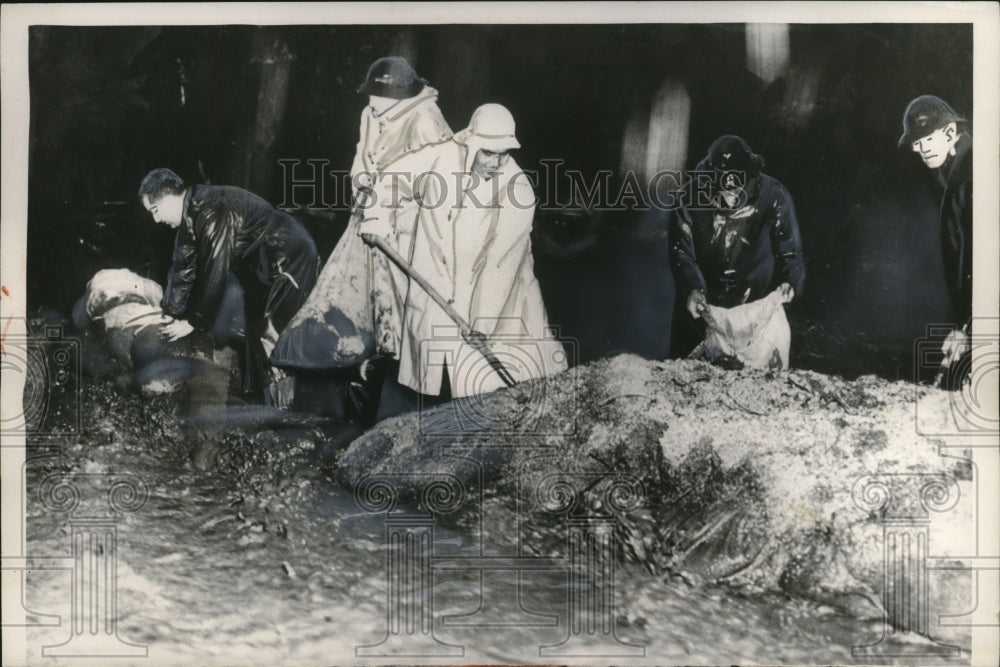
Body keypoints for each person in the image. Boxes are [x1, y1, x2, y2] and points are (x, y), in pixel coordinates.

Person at [270, 56, 452, 419]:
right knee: (346, 299)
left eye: (383, 104)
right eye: (372, 101)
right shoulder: (371, 112)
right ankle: (335, 380)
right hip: (366, 223)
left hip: (406, 232)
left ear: (404, 98)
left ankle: (400, 394)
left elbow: (436, 181)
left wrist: (391, 206)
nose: (376, 110)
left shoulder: (427, 120)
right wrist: (361, 182)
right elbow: (361, 156)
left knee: (402, 314)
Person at [359, 103, 567, 409]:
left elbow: (501, 266)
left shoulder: (518, 190)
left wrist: (482, 320)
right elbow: (392, 178)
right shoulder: (440, 159)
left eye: (504, 153)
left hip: (496, 292)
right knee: (421, 373)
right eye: (488, 152)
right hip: (434, 284)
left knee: (485, 385)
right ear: (472, 144)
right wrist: (376, 216)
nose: (496, 163)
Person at [139, 167, 319, 401]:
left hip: (289, 256)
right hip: (263, 266)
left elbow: (215, 270)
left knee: (277, 334)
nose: (156, 219)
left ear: (171, 196)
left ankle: (290, 412)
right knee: (255, 330)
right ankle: (267, 402)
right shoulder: (190, 214)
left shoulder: (211, 210)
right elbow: (182, 267)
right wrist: (170, 312)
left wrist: (195, 322)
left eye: (155, 210)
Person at [669, 135, 806, 366]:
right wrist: (692, 288)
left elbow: (790, 252)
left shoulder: (773, 196)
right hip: (703, 306)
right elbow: (680, 251)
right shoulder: (688, 197)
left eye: (736, 189)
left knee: (759, 378)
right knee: (688, 375)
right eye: (721, 190)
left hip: (754, 308)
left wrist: (789, 281)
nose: (730, 199)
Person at [898, 95, 972, 384]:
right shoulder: (957, 175)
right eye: (915, 142)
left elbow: (980, 259)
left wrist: (968, 327)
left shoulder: (970, 177)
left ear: (950, 132)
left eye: (925, 139)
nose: (917, 148)